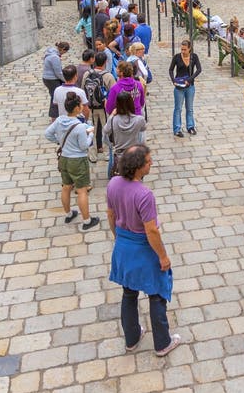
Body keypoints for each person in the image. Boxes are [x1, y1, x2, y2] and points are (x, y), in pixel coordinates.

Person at [107, 145, 181, 357]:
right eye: (149, 161)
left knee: (128, 293)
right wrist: (163, 256)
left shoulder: (113, 184)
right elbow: (151, 230)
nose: (152, 163)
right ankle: (162, 343)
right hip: (143, 248)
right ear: (138, 167)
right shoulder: (144, 194)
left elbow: (110, 215)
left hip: (123, 244)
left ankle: (131, 338)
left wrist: (118, 238)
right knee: (156, 295)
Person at [44, 91, 100, 231]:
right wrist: (91, 134)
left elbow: (48, 134)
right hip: (78, 161)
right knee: (82, 191)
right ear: (76, 108)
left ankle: (69, 213)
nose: (82, 106)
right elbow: (84, 146)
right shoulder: (80, 127)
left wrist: (60, 141)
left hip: (64, 159)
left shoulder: (59, 120)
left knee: (66, 187)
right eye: (80, 104)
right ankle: (87, 221)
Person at [82, 50, 115, 161]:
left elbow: (83, 89)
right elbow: (113, 93)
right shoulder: (108, 76)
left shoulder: (87, 74)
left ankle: (92, 155)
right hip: (103, 107)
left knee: (91, 130)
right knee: (106, 130)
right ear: (105, 62)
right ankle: (106, 154)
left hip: (90, 106)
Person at [104, 91, 146, 177]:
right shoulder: (139, 120)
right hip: (134, 155)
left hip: (120, 156)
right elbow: (143, 129)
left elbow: (106, 130)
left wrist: (112, 115)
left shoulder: (113, 120)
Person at [169, 39, 201, 138]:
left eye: (185, 49)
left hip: (190, 86)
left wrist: (190, 79)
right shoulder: (177, 57)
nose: (183, 51)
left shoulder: (194, 57)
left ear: (189, 49)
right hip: (179, 86)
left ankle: (190, 126)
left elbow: (199, 69)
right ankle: (177, 129)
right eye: (182, 49)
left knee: (189, 108)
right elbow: (171, 69)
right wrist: (173, 80)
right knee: (178, 108)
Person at [42, 41, 70, 118]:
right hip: (52, 79)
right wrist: (65, 80)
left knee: (54, 95)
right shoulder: (55, 57)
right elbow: (58, 72)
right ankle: (54, 115)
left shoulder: (50, 52)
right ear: (63, 49)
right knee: (55, 97)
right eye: (65, 52)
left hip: (47, 78)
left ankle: (58, 113)